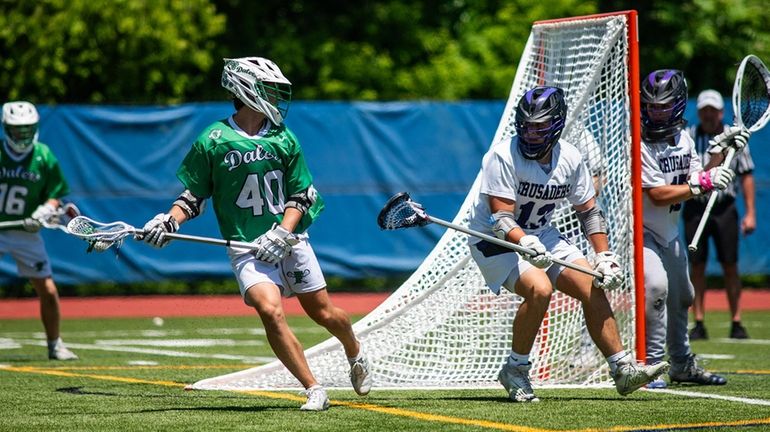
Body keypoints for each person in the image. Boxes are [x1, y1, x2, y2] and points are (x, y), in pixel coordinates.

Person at [138, 57, 371, 411]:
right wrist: (168, 221)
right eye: (270, 91)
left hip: (288, 241)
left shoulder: (284, 137)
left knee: (324, 314)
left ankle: (353, 348)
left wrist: (282, 232)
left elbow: (302, 195)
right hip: (246, 246)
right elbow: (193, 197)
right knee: (269, 309)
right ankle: (313, 389)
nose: (276, 99)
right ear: (246, 90)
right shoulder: (213, 140)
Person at [468, 86, 668, 402]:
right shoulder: (502, 156)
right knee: (540, 289)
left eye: (540, 125)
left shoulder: (571, 157)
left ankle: (622, 368)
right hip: (495, 239)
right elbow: (502, 218)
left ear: (556, 124)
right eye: (528, 124)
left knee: (591, 284)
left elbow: (589, 212)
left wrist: (604, 255)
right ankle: (515, 369)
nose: (531, 132)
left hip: (541, 233)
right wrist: (526, 241)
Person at [639, 70, 749, 388]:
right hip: (642, 231)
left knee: (684, 295)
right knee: (657, 288)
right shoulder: (643, 141)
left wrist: (723, 149)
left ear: (677, 104)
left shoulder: (684, 138)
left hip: (669, 231)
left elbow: (701, 176)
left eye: (663, 105)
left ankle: (682, 363)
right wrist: (702, 183)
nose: (656, 111)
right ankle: (652, 365)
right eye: (652, 105)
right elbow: (657, 195)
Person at [0, 101, 78, 361]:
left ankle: (55, 344)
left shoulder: (43, 155)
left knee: (48, 289)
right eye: (17, 130)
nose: (22, 135)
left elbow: (55, 195)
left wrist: (43, 211)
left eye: (26, 129)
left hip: (25, 232)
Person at [684, 89, 755, 340]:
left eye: (712, 110)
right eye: (704, 110)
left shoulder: (736, 139)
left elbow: (747, 175)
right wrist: (716, 157)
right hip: (696, 207)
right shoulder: (690, 138)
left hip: (724, 208)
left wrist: (751, 213)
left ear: (721, 112)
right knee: (698, 265)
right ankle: (699, 321)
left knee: (730, 265)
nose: (708, 114)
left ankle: (736, 320)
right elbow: (695, 177)